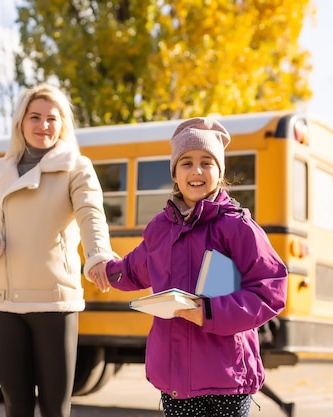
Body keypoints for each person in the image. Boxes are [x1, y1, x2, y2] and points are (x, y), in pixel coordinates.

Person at [89, 117, 288, 417]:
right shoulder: (160, 229)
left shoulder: (237, 227)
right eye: (186, 162)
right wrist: (105, 269)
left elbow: (270, 290)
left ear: (219, 172)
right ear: (175, 173)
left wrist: (207, 312)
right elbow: (132, 270)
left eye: (206, 162)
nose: (196, 170)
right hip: (175, 378)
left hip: (226, 377)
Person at [0, 84, 116, 417]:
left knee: (55, 409)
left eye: (52, 118)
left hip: (55, 301)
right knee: (16, 407)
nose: (43, 125)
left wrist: (98, 255)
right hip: (2, 303)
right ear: (21, 123)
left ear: (63, 124)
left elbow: (91, 215)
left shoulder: (76, 167)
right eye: (35, 117)